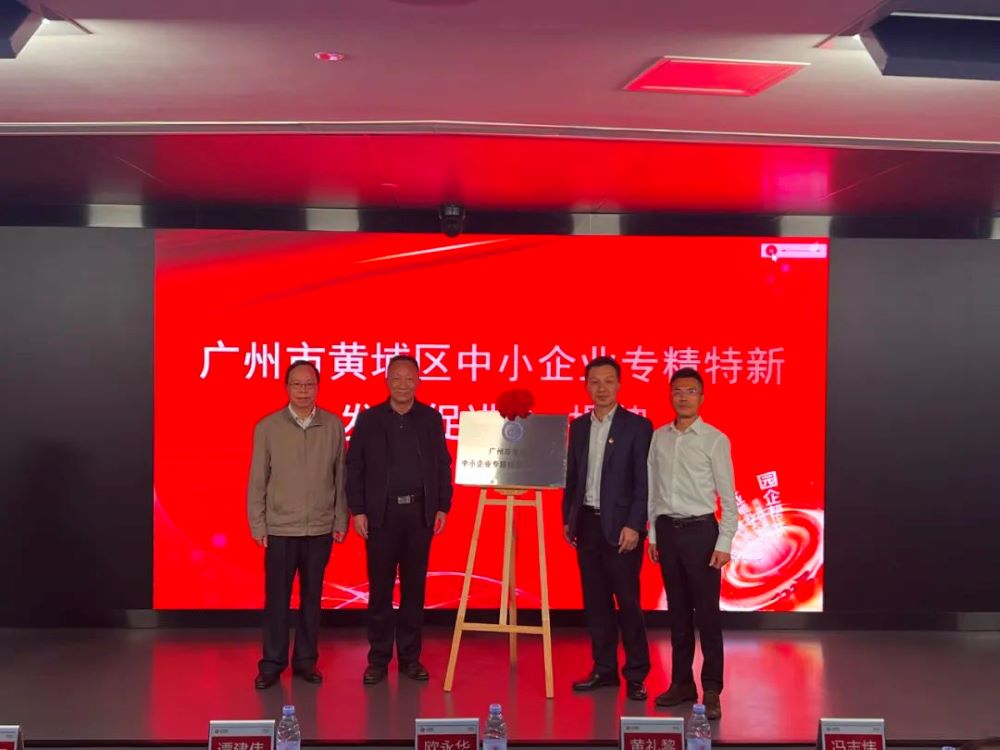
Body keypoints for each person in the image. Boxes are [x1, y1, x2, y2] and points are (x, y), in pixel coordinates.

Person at [346, 354, 453, 685]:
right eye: (397, 378)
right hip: (382, 516)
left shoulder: (431, 419)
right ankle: (378, 659)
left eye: (409, 379)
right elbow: (354, 467)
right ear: (387, 381)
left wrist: (442, 505)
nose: (403, 384)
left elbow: (442, 464)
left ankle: (410, 658)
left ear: (418, 382)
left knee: (414, 590)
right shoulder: (369, 419)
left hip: (419, 515)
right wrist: (358, 510)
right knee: (380, 590)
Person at [247, 360, 348, 689]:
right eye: (297, 384)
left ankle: (306, 661)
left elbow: (341, 476)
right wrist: (258, 524)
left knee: (311, 599)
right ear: (286, 387)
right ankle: (272, 663)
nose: (303, 391)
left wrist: (340, 518)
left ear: (318, 387)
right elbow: (258, 479)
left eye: (309, 385)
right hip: (280, 528)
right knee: (277, 599)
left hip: (320, 528)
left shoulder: (333, 425)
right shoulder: (268, 427)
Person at [647, 367, 737, 720]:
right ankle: (682, 682)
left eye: (690, 391)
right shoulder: (659, 437)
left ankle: (711, 688)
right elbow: (653, 491)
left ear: (701, 397)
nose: (683, 397)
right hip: (668, 531)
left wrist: (724, 541)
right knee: (678, 613)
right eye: (677, 391)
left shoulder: (715, 439)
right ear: (670, 396)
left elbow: (727, 497)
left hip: (702, 533)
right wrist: (654, 534)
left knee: (707, 614)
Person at [563, 356, 653, 702]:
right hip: (587, 523)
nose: (601, 389)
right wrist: (568, 518)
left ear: (619, 385)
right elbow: (573, 477)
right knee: (596, 602)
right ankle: (604, 669)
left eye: (608, 381)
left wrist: (635, 524)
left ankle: (636, 674)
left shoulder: (637, 427)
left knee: (628, 602)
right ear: (586, 386)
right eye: (595, 382)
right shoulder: (579, 427)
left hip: (622, 528)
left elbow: (644, 482)